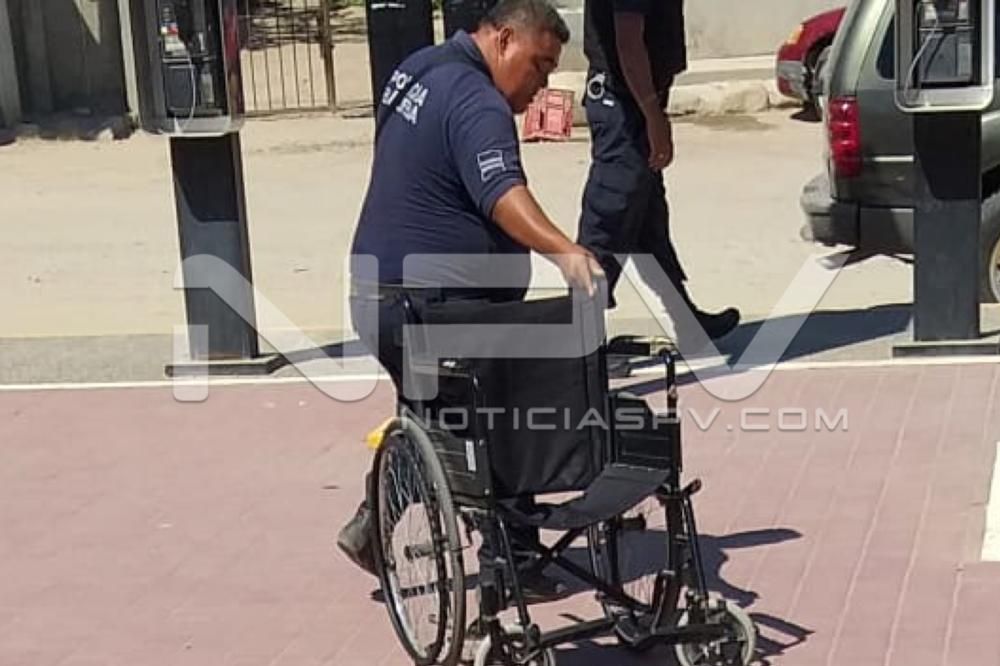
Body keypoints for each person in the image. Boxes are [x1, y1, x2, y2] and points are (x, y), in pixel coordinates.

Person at [338, 0, 603, 602]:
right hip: (425, 302)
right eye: (539, 66)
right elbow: (501, 193)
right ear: (504, 39)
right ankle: (515, 562)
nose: (540, 85)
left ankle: (373, 528)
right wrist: (563, 250)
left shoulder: (418, 67)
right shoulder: (478, 101)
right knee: (510, 405)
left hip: (382, 293)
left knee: (439, 418)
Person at [577, 0, 740, 342]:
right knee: (611, 215)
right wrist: (653, 115)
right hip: (624, 106)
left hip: (632, 102)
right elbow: (628, 40)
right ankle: (579, 339)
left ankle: (686, 321)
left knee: (647, 219)